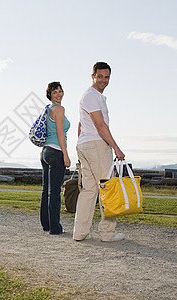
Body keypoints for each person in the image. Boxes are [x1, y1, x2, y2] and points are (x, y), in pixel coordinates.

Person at [72, 62, 125, 242]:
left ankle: (80, 232)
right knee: (107, 189)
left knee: (89, 190)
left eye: (107, 77)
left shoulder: (91, 96)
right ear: (93, 75)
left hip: (86, 145)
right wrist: (116, 147)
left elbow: (81, 124)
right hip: (96, 145)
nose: (103, 80)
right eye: (100, 76)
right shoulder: (92, 96)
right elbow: (100, 126)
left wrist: (81, 146)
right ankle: (108, 233)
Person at [40, 81, 71, 235]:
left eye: (60, 91)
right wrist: (66, 155)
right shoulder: (59, 109)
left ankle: (46, 224)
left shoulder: (48, 109)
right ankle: (55, 228)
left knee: (46, 190)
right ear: (50, 95)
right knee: (54, 192)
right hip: (56, 151)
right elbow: (60, 133)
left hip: (45, 152)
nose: (59, 94)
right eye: (55, 92)